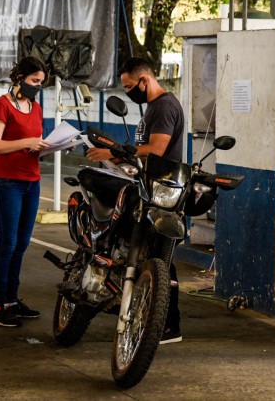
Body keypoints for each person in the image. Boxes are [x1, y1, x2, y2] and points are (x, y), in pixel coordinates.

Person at [86, 57, 185, 344]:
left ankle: (168, 324)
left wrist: (115, 154)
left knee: (162, 259)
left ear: (144, 80)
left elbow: (156, 148)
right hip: (147, 186)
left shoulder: (164, 105)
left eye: (130, 86)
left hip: (161, 192)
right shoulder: (153, 106)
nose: (129, 91)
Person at [0, 56, 50, 328]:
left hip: (31, 182)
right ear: (19, 77)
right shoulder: (1, 105)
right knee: (7, 244)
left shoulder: (35, 107)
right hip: (6, 183)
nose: (37, 86)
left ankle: (12, 300)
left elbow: (36, 144)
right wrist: (27, 141)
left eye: (41, 83)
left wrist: (51, 146)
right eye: (34, 81)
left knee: (21, 244)